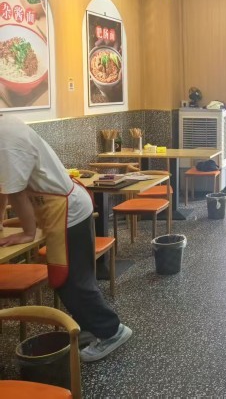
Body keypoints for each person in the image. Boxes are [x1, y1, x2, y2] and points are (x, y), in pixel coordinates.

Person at [0, 113, 132, 362]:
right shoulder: (7, 125)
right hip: (63, 209)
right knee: (71, 280)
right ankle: (91, 327)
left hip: (68, 212)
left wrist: (28, 232)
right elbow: (5, 188)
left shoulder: (4, 137)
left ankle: (111, 331)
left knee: (72, 281)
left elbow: (15, 193)